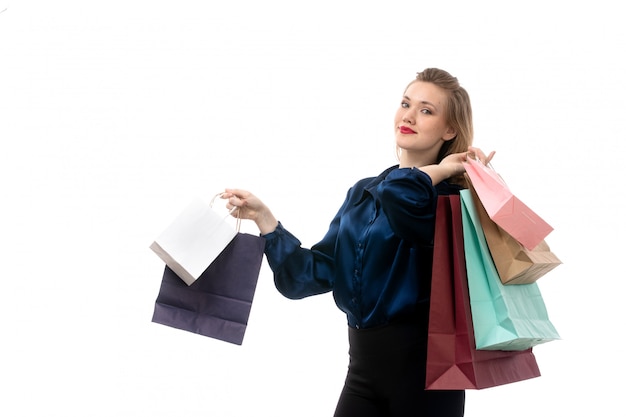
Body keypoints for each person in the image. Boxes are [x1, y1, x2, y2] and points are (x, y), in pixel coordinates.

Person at [222, 68, 494, 417]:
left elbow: (401, 193)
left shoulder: (448, 200)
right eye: (405, 103)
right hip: (363, 375)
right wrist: (266, 220)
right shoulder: (364, 192)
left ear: (450, 129)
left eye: (426, 110)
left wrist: (442, 170)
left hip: (428, 380)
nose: (409, 116)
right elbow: (309, 276)